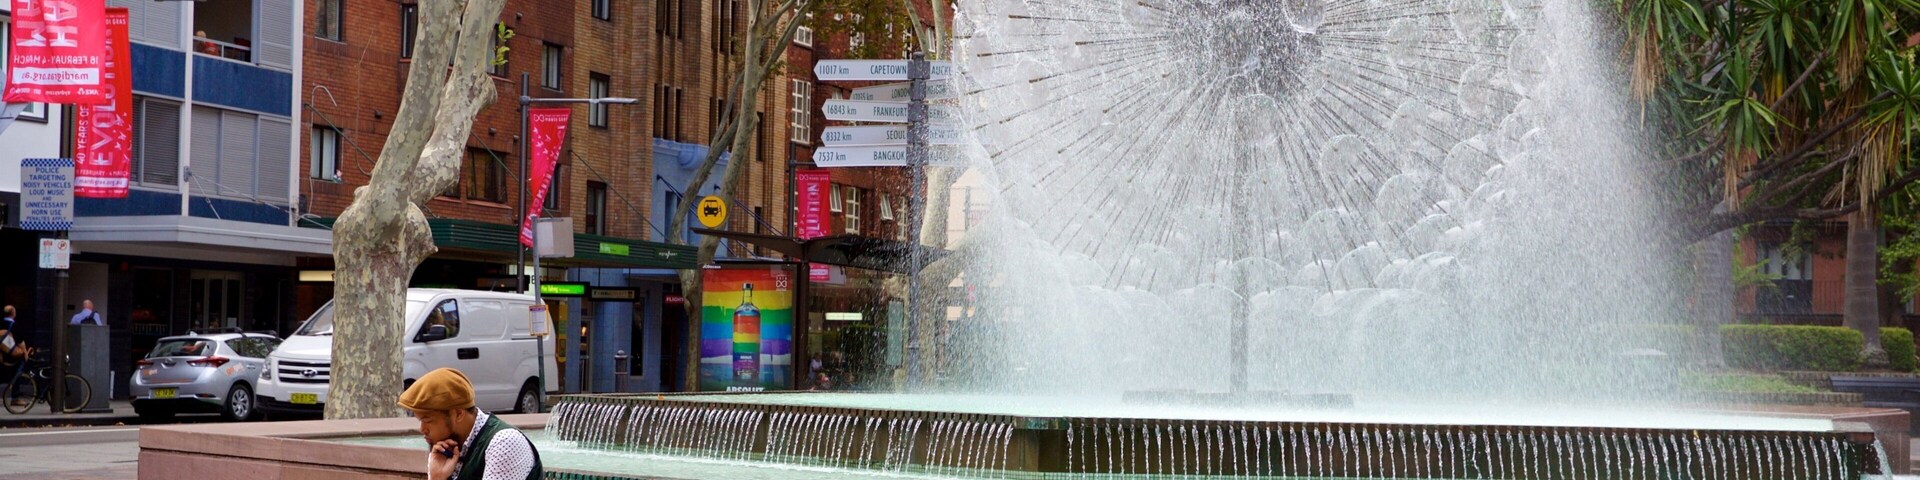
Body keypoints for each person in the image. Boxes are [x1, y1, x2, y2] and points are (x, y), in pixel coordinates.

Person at [400, 368, 542, 480]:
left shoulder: (504, 442)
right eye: (420, 421)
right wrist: (437, 477)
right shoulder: (446, 448)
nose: (422, 429)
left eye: (427, 420)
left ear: (458, 414)